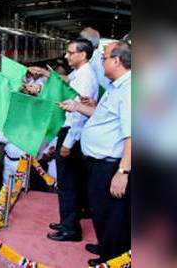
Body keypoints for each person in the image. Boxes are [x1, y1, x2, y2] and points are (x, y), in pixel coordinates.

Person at [60, 41, 131, 265]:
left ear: (117, 61)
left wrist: (123, 171)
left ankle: (112, 259)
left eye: (104, 58)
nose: (101, 62)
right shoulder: (115, 86)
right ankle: (105, 246)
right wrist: (78, 106)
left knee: (111, 213)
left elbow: (133, 134)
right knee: (100, 209)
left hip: (110, 164)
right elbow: (103, 116)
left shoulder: (130, 90)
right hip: (99, 162)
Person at [46, 38, 100, 243]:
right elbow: (65, 81)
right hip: (69, 132)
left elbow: (78, 113)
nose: (66, 56)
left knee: (68, 183)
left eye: (70, 52)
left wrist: (68, 143)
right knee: (67, 181)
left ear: (83, 55)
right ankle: (66, 220)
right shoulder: (79, 73)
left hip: (72, 134)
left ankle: (71, 229)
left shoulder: (85, 77)